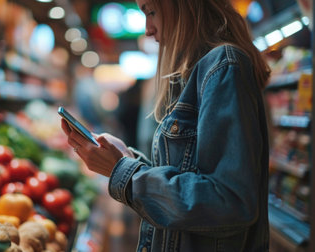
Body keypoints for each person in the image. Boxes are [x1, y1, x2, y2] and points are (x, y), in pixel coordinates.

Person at [61, 0, 271, 251]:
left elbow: (229, 202)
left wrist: (126, 174)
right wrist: (126, 159)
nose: (148, 29)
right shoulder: (198, 70)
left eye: (151, 11)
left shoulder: (223, 66)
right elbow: (190, 175)